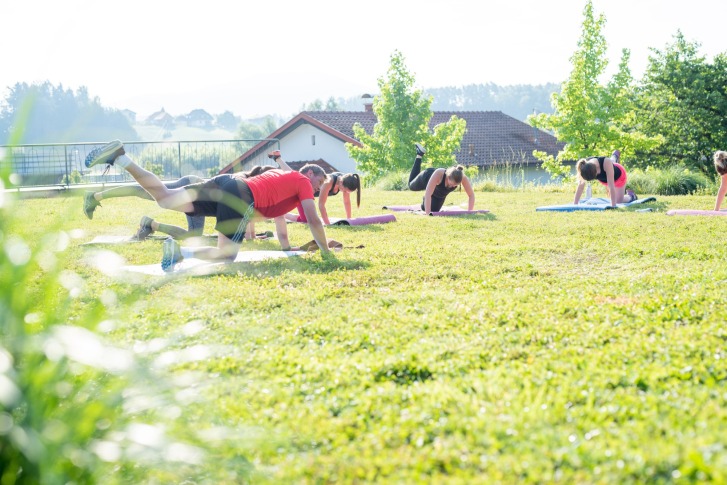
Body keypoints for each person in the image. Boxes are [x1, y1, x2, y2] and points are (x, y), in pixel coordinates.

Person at [84, 140, 331, 272]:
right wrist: (327, 253)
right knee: (226, 255)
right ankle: (180, 253)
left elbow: (284, 221)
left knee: (165, 197)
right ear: (309, 173)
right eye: (319, 182)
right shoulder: (302, 182)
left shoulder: (287, 180)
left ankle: (120, 157)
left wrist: (288, 247)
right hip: (240, 196)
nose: (319, 189)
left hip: (227, 183)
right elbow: (314, 220)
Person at [267, 150, 362, 224]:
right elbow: (321, 205)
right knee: (305, 220)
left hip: (308, 191)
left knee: (293, 175)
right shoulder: (329, 182)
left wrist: (349, 220)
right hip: (302, 192)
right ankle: (275, 213)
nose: (344, 192)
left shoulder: (346, 181)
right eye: (344, 190)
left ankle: (278, 158)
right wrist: (327, 224)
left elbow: (346, 202)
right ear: (341, 182)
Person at [408, 143, 475, 214]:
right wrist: (427, 214)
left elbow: (471, 195)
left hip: (439, 193)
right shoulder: (439, 173)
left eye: (455, 186)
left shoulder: (462, 177)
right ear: (448, 177)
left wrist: (469, 212)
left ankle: (425, 202)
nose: (453, 187)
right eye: (452, 184)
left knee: (433, 210)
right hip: (426, 178)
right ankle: (419, 155)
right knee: (411, 186)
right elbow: (428, 194)